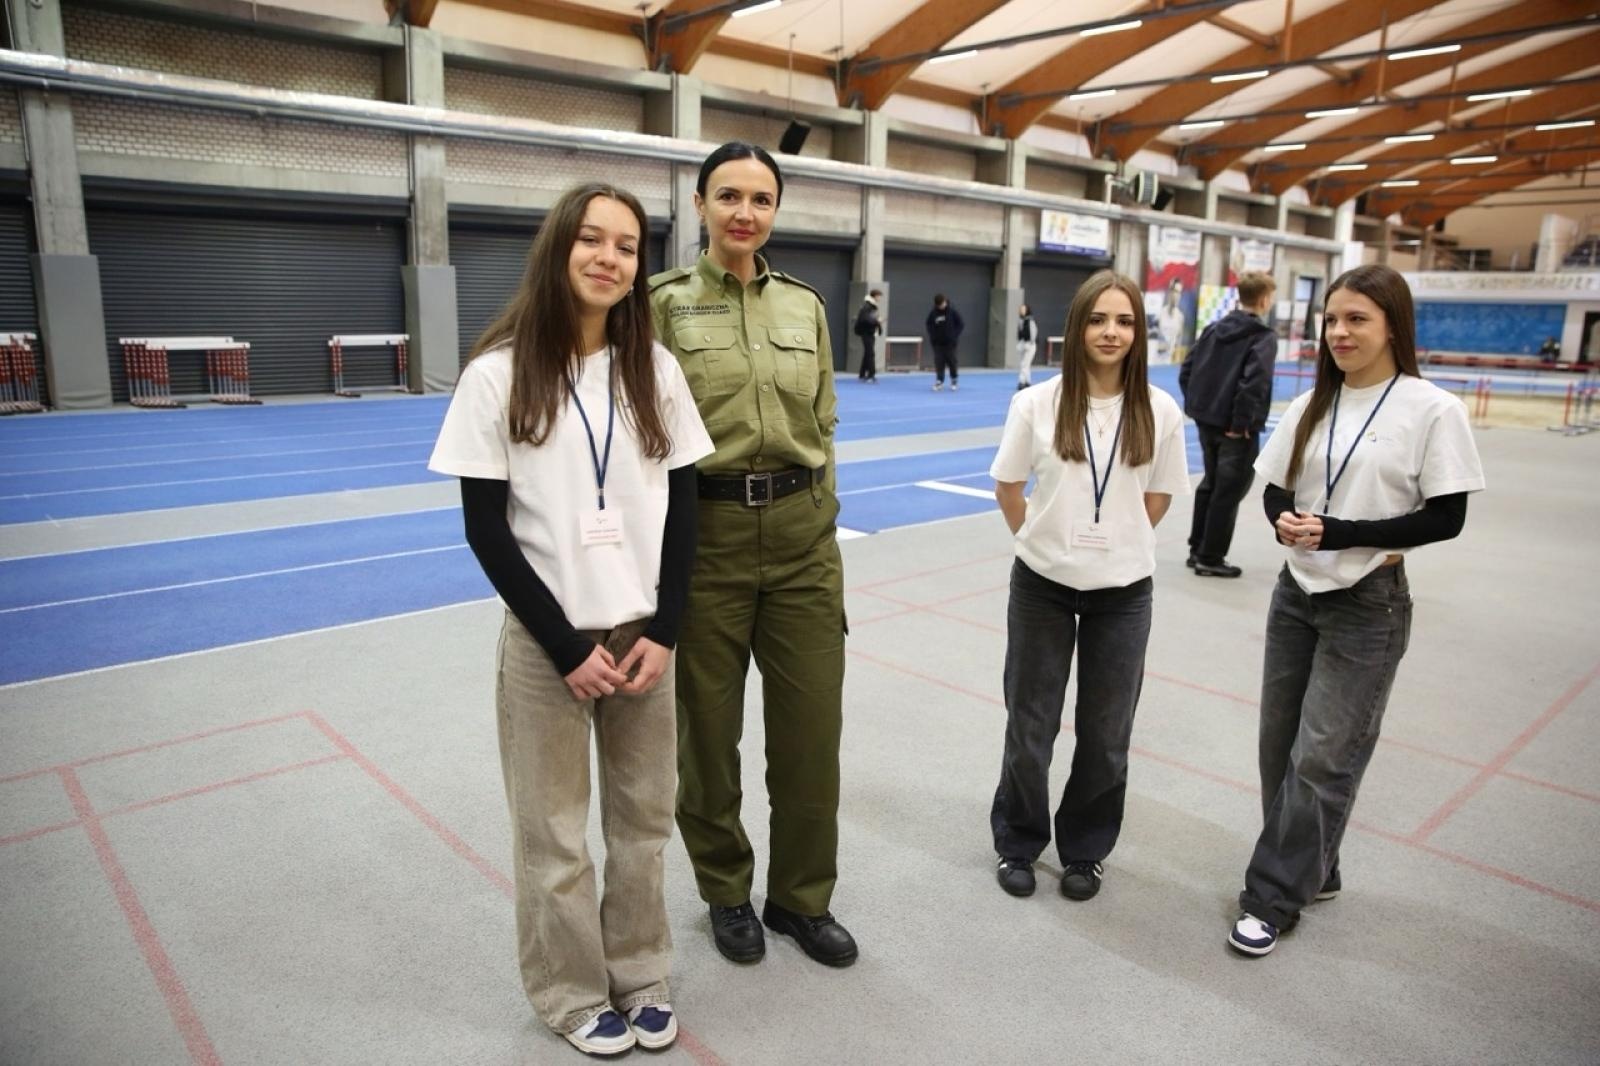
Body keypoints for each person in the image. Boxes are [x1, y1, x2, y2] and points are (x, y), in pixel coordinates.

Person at [428, 183, 713, 1057]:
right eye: (592, 240)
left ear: (639, 267)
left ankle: (641, 973)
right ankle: (571, 991)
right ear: (559, 249)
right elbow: (486, 530)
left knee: (641, 827)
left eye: (627, 246)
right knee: (552, 836)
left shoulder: (653, 370)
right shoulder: (498, 374)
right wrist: (562, 645)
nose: (609, 258)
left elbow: (687, 505)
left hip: (641, 641)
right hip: (547, 646)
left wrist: (664, 628)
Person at [1228, 264, 1485, 957]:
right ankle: (1317, 868)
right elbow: (1276, 491)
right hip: (1296, 595)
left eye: (1356, 320)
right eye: (1331, 320)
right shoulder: (1316, 403)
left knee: (1323, 757)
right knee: (1279, 749)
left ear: (1393, 326)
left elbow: (1446, 517)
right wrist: (1286, 522)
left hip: (1369, 604)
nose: (1338, 333)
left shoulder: (1433, 409)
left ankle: (1271, 896)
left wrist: (1340, 531)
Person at [649, 142, 858, 969]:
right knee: (709, 739)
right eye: (728, 195)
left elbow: (826, 423)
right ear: (699, 204)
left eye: (762, 198)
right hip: (707, 539)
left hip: (804, 542)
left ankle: (802, 900)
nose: (745, 212)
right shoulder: (661, 303)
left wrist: (824, 517)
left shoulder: (804, 306)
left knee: (812, 735)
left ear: (776, 210)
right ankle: (727, 892)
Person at [988, 270, 1190, 903]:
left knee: (1107, 732)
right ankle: (1019, 840)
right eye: (1099, 320)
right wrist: (1042, 542)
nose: (1111, 332)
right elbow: (1008, 487)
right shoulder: (1036, 403)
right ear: (1077, 328)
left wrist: (1115, 542)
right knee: (1031, 724)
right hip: (1042, 586)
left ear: (1139, 332)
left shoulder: (1159, 410)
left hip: (1124, 594)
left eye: (1125, 321)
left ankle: (1085, 849)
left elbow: (1156, 496)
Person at [1179, 271, 1278, 578]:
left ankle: (1197, 549)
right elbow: (1254, 382)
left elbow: (1187, 370)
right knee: (1229, 490)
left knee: (1210, 484)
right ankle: (1210, 556)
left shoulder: (1212, 329)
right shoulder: (1262, 337)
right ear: (1264, 300)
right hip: (1236, 428)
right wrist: (1240, 423)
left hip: (1207, 421)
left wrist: (1199, 409)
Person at [926, 293, 964, 391]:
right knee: (939, 362)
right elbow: (929, 325)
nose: (942, 306)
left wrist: (954, 335)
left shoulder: (952, 312)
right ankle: (939, 381)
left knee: (952, 361)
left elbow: (960, 324)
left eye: (943, 304)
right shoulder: (933, 313)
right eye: (939, 305)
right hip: (938, 344)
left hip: (950, 343)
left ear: (945, 302)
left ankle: (954, 379)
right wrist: (933, 336)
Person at [855, 288, 883, 383]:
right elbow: (865, 319)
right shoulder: (868, 306)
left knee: (868, 353)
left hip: (869, 332)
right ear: (875, 296)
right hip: (866, 333)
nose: (880, 298)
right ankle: (871, 375)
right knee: (870, 353)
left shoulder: (871, 306)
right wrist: (877, 321)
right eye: (879, 296)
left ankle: (862, 374)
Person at [1017, 302, 1040, 390]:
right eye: (1021, 309)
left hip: (1030, 346)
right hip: (1023, 345)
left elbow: (1034, 333)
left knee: (1024, 364)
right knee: (1025, 364)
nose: (1022, 311)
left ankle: (1022, 381)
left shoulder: (1030, 320)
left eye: (1023, 309)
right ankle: (1027, 381)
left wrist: (1030, 343)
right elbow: (1019, 333)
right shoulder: (1020, 320)